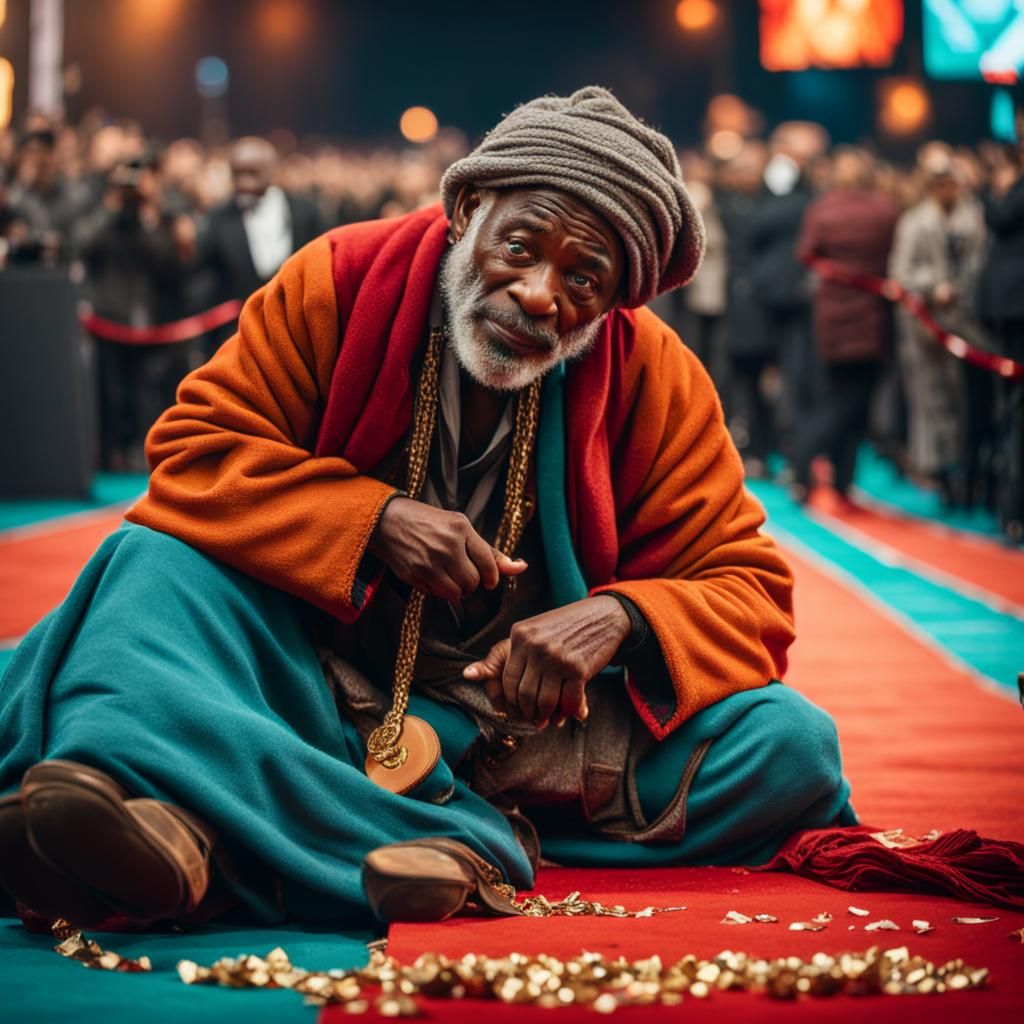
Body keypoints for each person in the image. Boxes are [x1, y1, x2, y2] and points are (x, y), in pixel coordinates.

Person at [0, 89, 852, 931]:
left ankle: (205, 828)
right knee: (150, 564)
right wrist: (372, 522)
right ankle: (438, 840)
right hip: (315, 684)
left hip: (525, 734)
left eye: (584, 280)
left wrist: (618, 620)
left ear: (618, 302)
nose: (539, 295)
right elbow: (196, 449)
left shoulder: (653, 374)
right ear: (469, 209)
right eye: (520, 247)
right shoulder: (342, 278)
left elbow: (749, 591)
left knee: (790, 745)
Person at [792, 148, 900, 502]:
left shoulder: (823, 209)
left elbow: (805, 253)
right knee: (858, 398)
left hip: (831, 313)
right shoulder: (885, 211)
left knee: (835, 395)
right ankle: (841, 478)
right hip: (871, 312)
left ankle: (805, 461)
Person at [888, 154, 987, 503]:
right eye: (941, 184)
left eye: (952, 183)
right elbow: (900, 272)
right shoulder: (914, 222)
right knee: (929, 400)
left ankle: (967, 471)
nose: (948, 190)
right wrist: (933, 287)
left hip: (966, 325)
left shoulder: (973, 219)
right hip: (924, 327)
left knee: (965, 401)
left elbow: (983, 264)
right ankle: (937, 470)